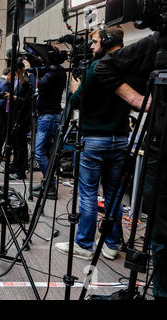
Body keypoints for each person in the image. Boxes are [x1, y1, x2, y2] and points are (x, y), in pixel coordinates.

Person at [55, 25, 141, 261]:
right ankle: (112, 244)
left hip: (94, 141)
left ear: (107, 41)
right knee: (113, 194)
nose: (91, 46)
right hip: (120, 140)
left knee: (89, 194)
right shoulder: (130, 67)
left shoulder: (97, 68)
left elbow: (75, 101)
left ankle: (83, 244)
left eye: (94, 41)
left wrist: (74, 88)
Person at [95, 30, 165, 299]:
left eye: (94, 41)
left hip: (104, 140)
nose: (91, 46)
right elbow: (106, 70)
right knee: (156, 225)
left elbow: (83, 97)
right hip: (147, 144)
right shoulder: (157, 44)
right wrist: (137, 100)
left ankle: (98, 243)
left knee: (94, 192)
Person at [31, 48, 67, 200]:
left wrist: (32, 71)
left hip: (48, 117)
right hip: (49, 116)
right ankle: (47, 182)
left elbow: (38, 84)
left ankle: (50, 185)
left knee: (39, 153)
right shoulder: (55, 71)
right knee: (45, 152)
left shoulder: (55, 73)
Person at [3, 61, 34, 180]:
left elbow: (28, 101)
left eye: (16, 70)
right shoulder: (16, 81)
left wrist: (14, 97)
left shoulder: (26, 80)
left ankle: (21, 171)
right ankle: (15, 166)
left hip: (22, 118)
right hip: (14, 116)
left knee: (21, 146)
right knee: (15, 145)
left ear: (21, 70)